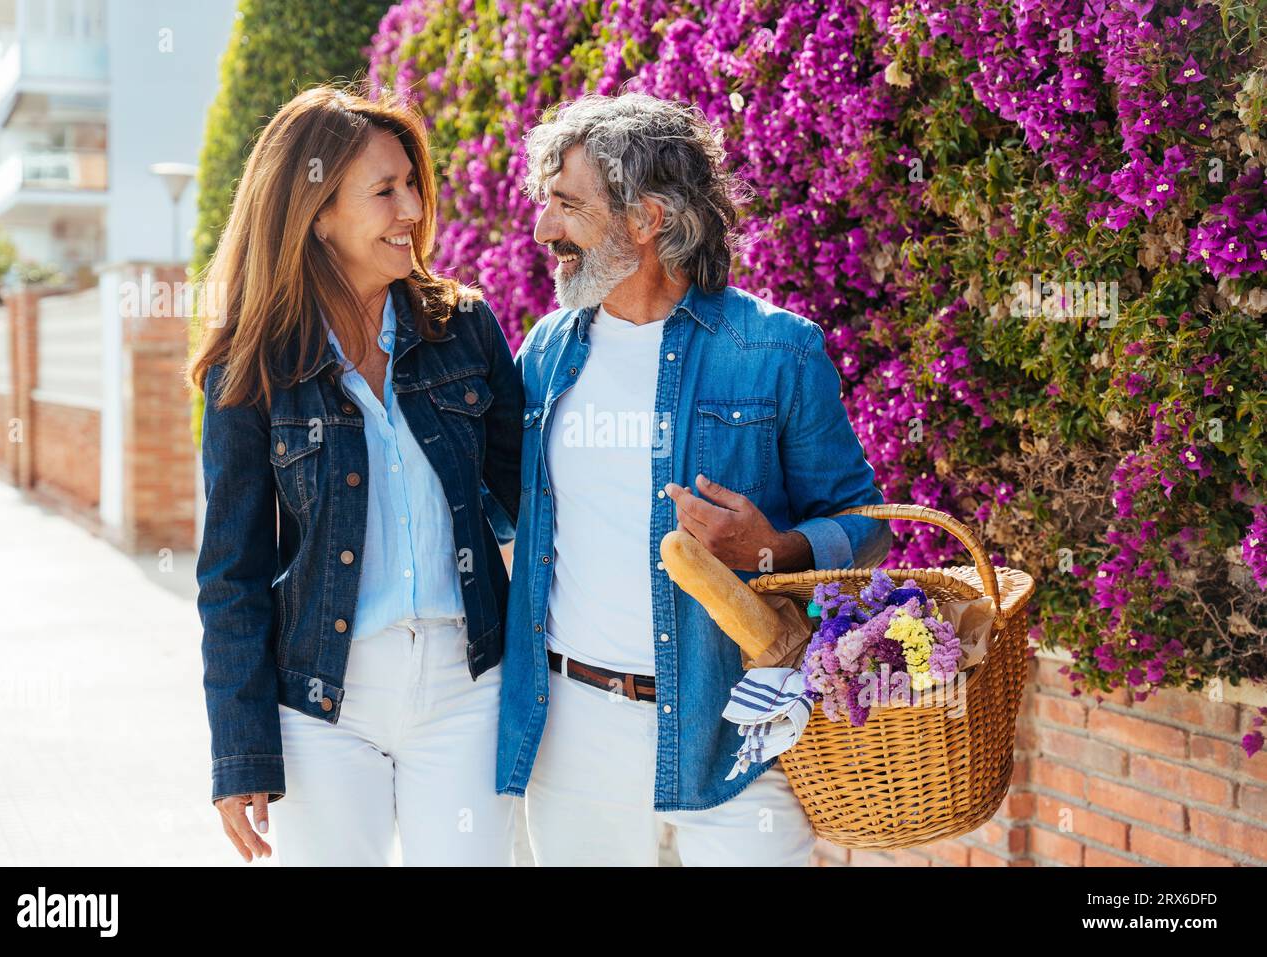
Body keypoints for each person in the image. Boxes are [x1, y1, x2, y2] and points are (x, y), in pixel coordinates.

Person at [497, 91, 893, 866]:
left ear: (645, 219)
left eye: (568, 206)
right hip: (574, 740)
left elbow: (867, 524)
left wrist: (774, 548)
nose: (544, 231)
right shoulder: (546, 353)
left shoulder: (777, 350)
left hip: (737, 735)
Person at [188, 85, 523, 866]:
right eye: (384, 191)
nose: (411, 207)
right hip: (322, 702)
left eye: (412, 183)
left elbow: (529, 499)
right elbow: (231, 571)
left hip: (467, 685)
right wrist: (239, 749)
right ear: (316, 215)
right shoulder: (252, 368)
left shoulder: (464, 329)